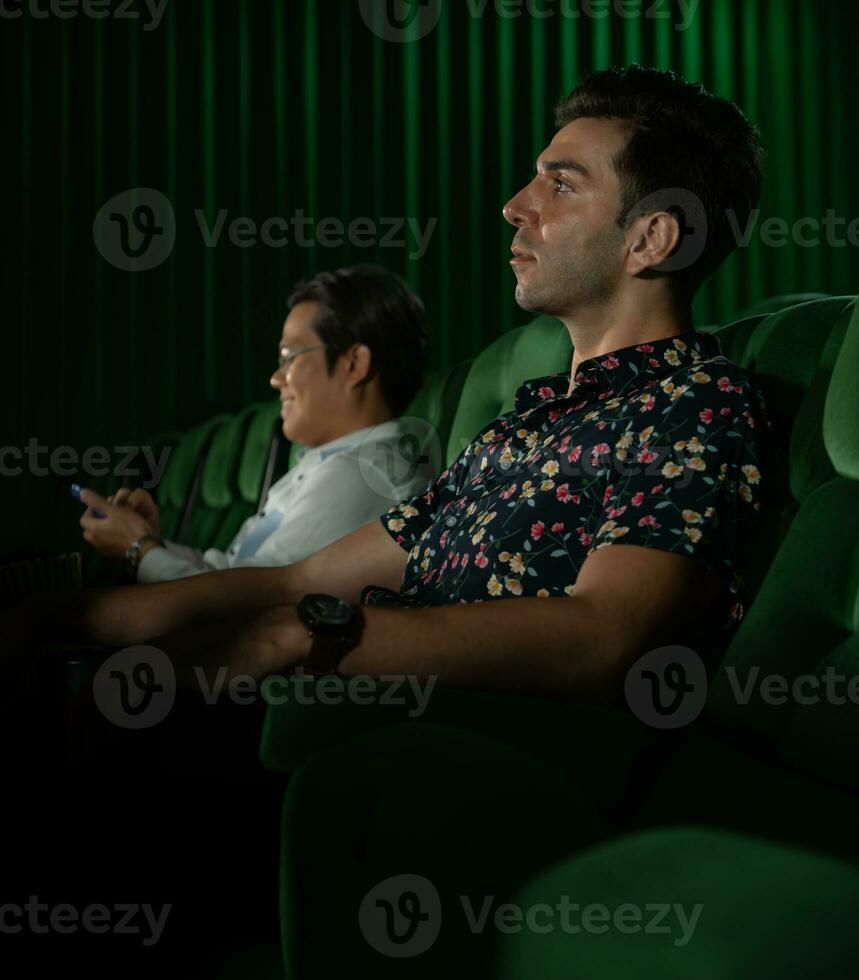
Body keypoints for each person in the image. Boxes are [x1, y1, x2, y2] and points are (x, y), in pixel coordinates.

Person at [9, 66, 771, 704]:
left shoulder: (693, 404)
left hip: (466, 759)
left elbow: (602, 634)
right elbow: (298, 578)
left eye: (561, 185)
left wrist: (303, 633)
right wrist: (71, 611)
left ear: (652, 237)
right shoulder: (524, 423)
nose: (516, 206)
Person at [74, 266, 436, 583]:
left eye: (290, 357)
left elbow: (247, 605)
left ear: (353, 364)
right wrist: (149, 541)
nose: (276, 379)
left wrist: (139, 549)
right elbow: (235, 572)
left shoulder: (361, 474)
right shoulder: (333, 462)